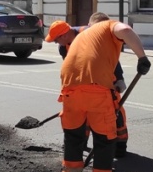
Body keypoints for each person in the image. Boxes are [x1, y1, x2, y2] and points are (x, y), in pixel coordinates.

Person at [58, 13, 150, 172]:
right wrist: (142, 57)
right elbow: (125, 30)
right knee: (104, 140)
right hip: (96, 91)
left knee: (74, 137)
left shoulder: (81, 35)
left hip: (69, 91)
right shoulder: (107, 26)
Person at [46, 14, 130, 158]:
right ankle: (79, 143)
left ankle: (119, 146)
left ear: (64, 35)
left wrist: (119, 78)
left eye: (56, 40)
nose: (56, 43)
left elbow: (111, 57)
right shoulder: (63, 48)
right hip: (83, 84)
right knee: (81, 114)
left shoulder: (89, 33)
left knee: (114, 113)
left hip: (105, 79)